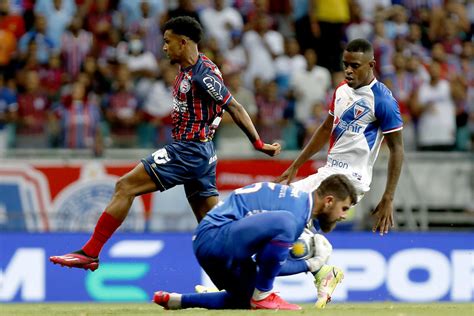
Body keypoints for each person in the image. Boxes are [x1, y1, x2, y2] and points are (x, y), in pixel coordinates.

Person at [50, 16, 281, 271]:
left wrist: (258, 143)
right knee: (211, 228)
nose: (163, 47)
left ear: (183, 43)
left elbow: (234, 107)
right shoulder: (189, 68)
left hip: (188, 151)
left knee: (125, 186)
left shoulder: (203, 75)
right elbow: (212, 110)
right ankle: (256, 271)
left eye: (167, 42)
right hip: (200, 153)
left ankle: (90, 252)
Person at [153, 174, 358, 310]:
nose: (343, 216)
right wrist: (311, 264)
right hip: (216, 236)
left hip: (213, 244)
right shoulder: (296, 214)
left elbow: (267, 265)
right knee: (286, 223)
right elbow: (265, 263)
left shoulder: (295, 202)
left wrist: (308, 265)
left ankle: (177, 301)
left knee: (243, 299)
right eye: (345, 208)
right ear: (329, 200)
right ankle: (264, 295)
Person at [277, 38, 404, 235]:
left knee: (300, 213)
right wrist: (296, 164)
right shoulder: (341, 89)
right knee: (281, 200)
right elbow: (326, 128)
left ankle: (313, 256)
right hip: (329, 172)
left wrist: (388, 196)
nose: (348, 70)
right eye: (346, 65)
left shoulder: (383, 100)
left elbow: (397, 149)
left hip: (352, 180)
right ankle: (312, 258)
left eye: (355, 66)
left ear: (371, 65)